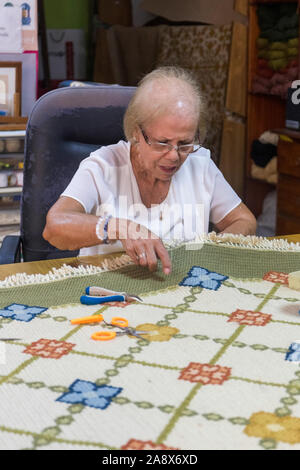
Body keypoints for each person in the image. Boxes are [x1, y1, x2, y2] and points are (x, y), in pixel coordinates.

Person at [43, 66, 256, 275]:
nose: (174, 155)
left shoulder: (199, 165)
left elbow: (244, 221)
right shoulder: (102, 166)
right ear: (137, 132)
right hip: (108, 293)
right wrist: (120, 228)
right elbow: (55, 226)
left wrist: (214, 250)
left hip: (180, 290)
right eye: (162, 142)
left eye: (185, 143)